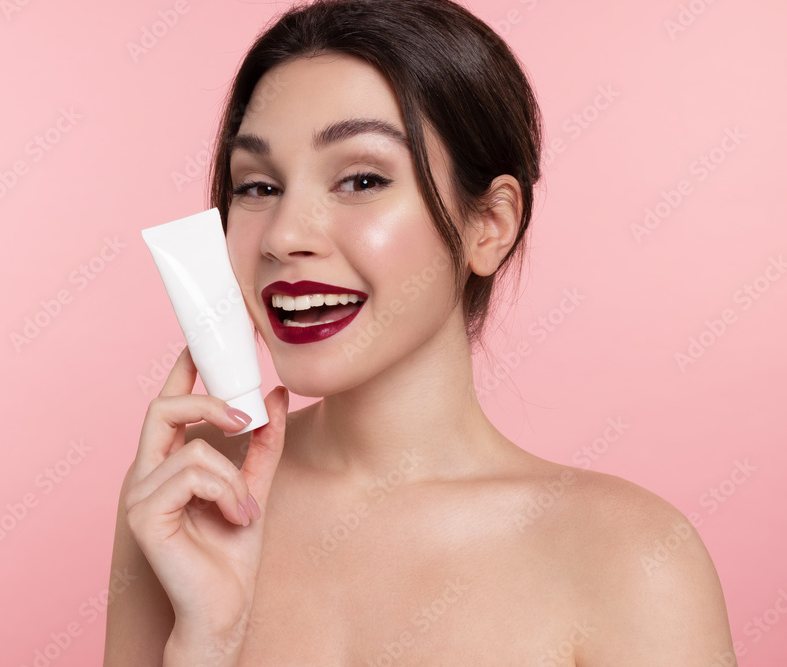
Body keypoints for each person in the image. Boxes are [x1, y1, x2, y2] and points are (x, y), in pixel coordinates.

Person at [105, 1, 737, 664]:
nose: (285, 235)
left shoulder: (632, 557)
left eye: (361, 179)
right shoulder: (190, 493)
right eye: (258, 186)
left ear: (489, 223)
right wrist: (207, 643)